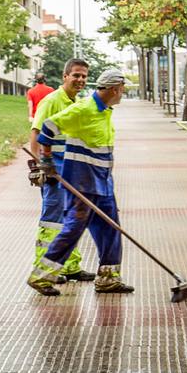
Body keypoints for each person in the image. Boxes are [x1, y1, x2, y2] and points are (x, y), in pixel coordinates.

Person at [27, 69, 134, 296]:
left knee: (110, 228)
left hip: (103, 183)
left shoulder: (105, 111)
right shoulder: (83, 109)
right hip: (82, 183)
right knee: (73, 229)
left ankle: (108, 279)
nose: (123, 94)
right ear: (114, 89)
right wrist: (45, 162)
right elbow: (47, 128)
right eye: (122, 90)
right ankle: (41, 277)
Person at [28, 59, 94, 283]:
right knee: (52, 220)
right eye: (76, 75)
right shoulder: (52, 101)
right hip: (54, 170)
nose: (80, 80)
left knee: (71, 219)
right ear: (65, 76)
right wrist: (40, 165)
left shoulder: (76, 102)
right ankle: (45, 270)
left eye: (84, 76)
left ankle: (70, 266)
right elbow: (36, 133)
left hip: (73, 170)